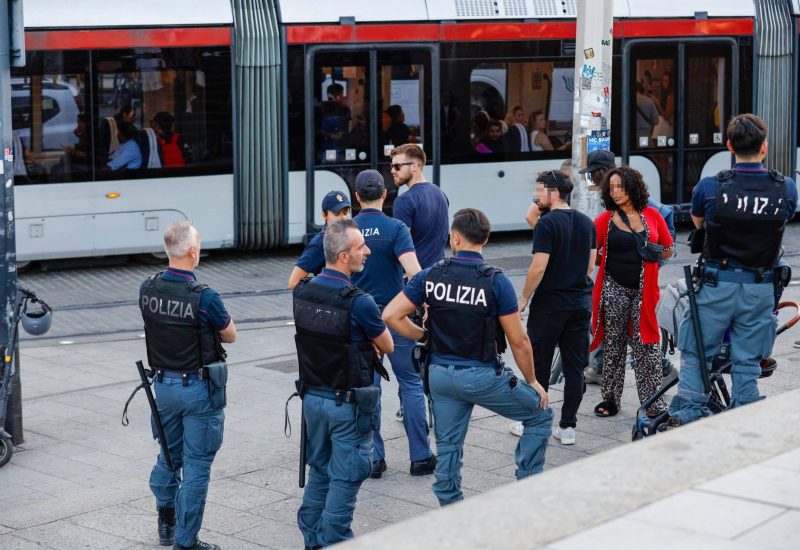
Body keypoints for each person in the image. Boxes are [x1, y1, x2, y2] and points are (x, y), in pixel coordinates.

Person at [382, 208, 552, 506]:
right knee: (540, 415)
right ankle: (527, 490)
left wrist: (423, 336)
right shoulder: (496, 282)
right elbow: (518, 341)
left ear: (454, 238)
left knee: (448, 446)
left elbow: (391, 315)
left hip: (440, 375)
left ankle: (450, 508)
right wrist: (533, 381)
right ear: (485, 239)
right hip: (482, 375)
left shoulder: (430, 275)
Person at [669, 114, 797, 425]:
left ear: (729, 146)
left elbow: (700, 224)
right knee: (748, 360)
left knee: (697, 353)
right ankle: (744, 419)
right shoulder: (786, 188)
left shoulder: (710, 187)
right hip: (761, 287)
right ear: (764, 147)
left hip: (716, 285)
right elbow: (784, 219)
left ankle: (688, 419)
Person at [293, 219, 394, 548]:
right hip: (346, 404)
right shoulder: (359, 301)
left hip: (312, 399)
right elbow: (388, 345)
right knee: (347, 476)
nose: (367, 251)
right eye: (360, 247)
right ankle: (335, 539)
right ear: (343, 257)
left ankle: (311, 534)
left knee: (320, 469)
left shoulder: (303, 292)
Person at [140, 221, 237, 550]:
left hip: (163, 388)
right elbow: (230, 335)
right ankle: (186, 540)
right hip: (198, 390)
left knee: (169, 455)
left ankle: (166, 516)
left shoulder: (147, 288)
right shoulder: (205, 296)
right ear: (193, 251)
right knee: (197, 465)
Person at [349, 170, 435, 479]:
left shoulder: (347, 229)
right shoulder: (396, 228)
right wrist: (424, 304)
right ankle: (421, 457)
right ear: (386, 194)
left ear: (356, 196)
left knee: (368, 388)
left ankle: (374, 457)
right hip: (394, 318)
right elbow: (414, 271)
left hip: (359, 320)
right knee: (410, 383)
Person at [511, 171, 596, 444]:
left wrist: (523, 297)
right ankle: (568, 426)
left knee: (539, 365)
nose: (536, 196)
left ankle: (533, 421)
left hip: (549, 304)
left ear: (554, 192)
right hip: (579, 303)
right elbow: (590, 266)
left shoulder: (547, 224)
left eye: (540, 191)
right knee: (574, 367)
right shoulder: (587, 223)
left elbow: (538, 267)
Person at [580, 150, 676, 385]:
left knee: (629, 321)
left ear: (603, 171)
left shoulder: (626, 195)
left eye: (592, 175)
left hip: (648, 251)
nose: (591, 180)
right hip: (639, 252)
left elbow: (663, 243)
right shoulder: (616, 193)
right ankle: (603, 366)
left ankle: (662, 368)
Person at [390, 143, 450, 269]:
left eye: (397, 166)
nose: (392, 171)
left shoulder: (404, 200)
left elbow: (401, 245)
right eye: (392, 166)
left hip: (416, 276)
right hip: (439, 272)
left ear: (415, 166)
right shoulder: (440, 193)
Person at [287, 191, 352, 289]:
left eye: (345, 212)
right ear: (324, 215)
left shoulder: (350, 235)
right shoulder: (319, 244)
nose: (343, 218)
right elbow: (293, 283)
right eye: (337, 214)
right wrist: (325, 290)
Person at [635, 82, 659, 146]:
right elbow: (656, 121)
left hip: (631, 135)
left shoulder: (627, 100)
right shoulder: (649, 101)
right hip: (646, 134)